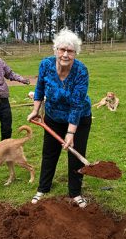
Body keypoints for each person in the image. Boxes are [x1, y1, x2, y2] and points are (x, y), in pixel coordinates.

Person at [27, 28, 92, 208]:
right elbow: (39, 88)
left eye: (70, 51)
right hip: (53, 117)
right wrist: (36, 110)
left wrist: (71, 133)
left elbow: (77, 104)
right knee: (49, 153)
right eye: (61, 50)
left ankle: (75, 193)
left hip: (79, 118)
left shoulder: (81, 71)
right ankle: (42, 188)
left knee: (76, 155)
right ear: (55, 50)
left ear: (75, 53)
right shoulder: (46, 65)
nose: (65, 54)